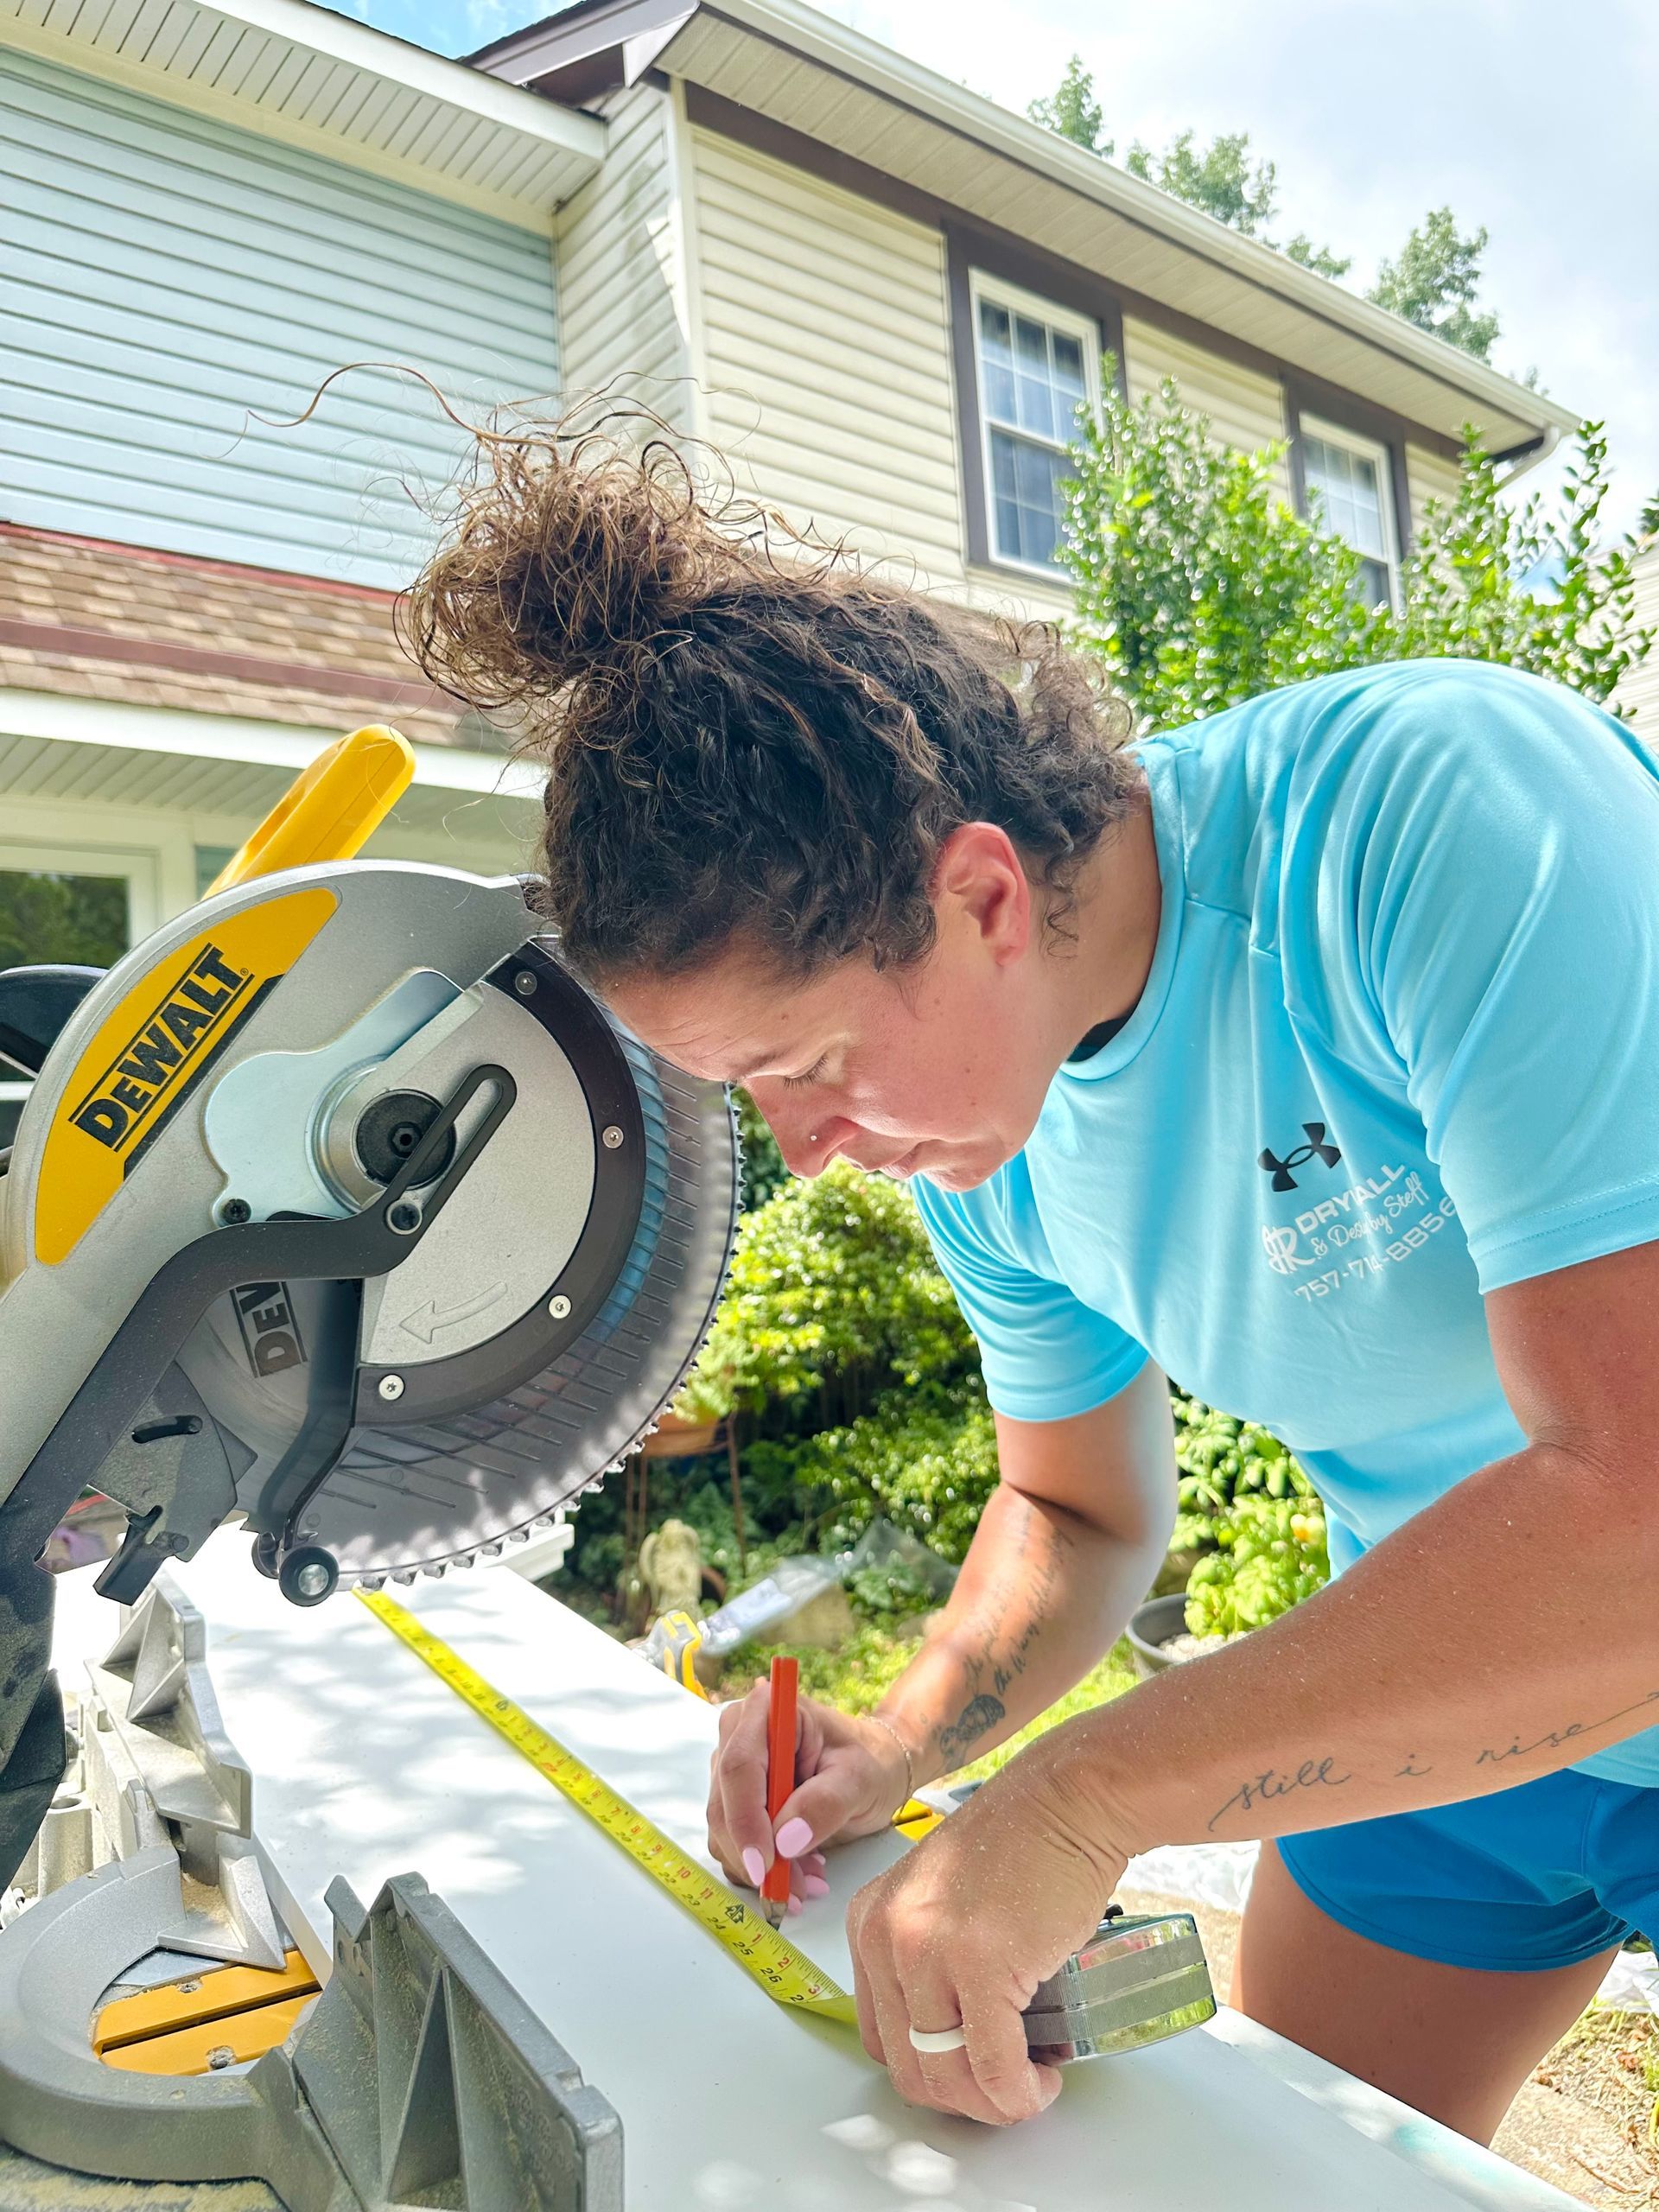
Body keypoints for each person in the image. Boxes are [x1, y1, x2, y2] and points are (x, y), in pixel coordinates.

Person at [409, 429, 1659, 2141]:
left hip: (1599, 1587)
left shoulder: (1434, 819)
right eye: (754, 1094)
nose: (813, 1146)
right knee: (1277, 2177)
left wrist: (1087, 1792)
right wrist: (908, 1741)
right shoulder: (983, 1126)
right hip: (1438, 1716)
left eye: (812, 1062)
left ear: (980, 890)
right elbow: (1074, 1513)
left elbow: (1641, 1506)